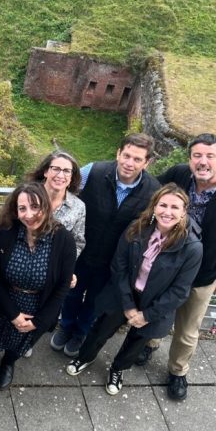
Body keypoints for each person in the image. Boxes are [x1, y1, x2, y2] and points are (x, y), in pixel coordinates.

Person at [139, 133, 216, 401]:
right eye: (197, 155)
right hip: (166, 266)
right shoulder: (178, 175)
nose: (203, 162)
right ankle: (150, 343)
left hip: (203, 274)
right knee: (157, 312)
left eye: (210, 156)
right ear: (190, 158)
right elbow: (150, 195)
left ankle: (178, 371)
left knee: (188, 329)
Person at [66, 184, 204, 395]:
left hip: (156, 305)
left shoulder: (192, 247)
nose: (167, 212)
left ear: (184, 211)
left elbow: (179, 290)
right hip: (124, 294)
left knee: (137, 342)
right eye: (163, 205)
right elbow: (118, 266)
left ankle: (118, 369)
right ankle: (85, 357)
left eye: (175, 207)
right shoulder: (137, 228)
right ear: (154, 206)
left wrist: (147, 315)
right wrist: (129, 306)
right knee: (100, 330)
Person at [53, 134, 160, 358]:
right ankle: (66, 325)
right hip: (81, 250)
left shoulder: (153, 191)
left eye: (137, 159)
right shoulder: (93, 171)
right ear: (118, 153)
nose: (130, 163)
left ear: (147, 162)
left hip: (114, 260)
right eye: (127, 156)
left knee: (96, 300)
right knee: (71, 291)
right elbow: (64, 192)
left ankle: (81, 332)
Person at [0, 183, 76, 389]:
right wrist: (12, 313)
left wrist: (39, 321)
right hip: (3, 300)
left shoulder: (63, 239)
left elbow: (62, 286)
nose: (29, 214)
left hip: (37, 306)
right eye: (22, 208)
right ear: (15, 210)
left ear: (46, 207)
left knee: (21, 341)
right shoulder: (5, 233)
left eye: (35, 206)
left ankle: (8, 363)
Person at [21, 150, 86, 358]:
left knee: (44, 311)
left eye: (67, 171)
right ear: (46, 171)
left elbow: (78, 241)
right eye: (56, 168)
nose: (61, 174)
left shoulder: (78, 207)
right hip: (22, 262)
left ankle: (27, 342)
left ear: (72, 177)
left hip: (52, 270)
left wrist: (66, 269)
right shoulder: (28, 194)